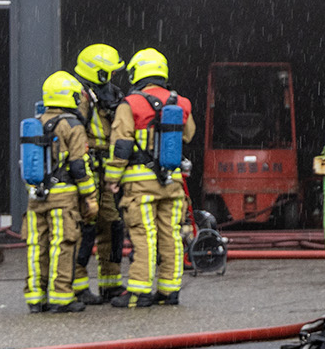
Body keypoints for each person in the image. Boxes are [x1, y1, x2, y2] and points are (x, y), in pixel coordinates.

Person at [109, 48, 196, 309]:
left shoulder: (130, 103)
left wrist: (113, 178)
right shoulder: (182, 102)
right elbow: (188, 135)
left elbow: (121, 144)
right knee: (171, 235)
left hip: (140, 184)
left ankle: (139, 292)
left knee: (143, 236)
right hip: (172, 182)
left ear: (137, 73)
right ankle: (169, 291)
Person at [23, 71, 100, 314]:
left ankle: (36, 297)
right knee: (62, 245)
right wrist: (90, 196)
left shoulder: (36, 121)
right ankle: (61, 297)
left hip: (36, 196)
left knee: (37, 247)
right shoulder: (73, 125)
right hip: (63, 198)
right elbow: (79, 165)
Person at [71, 43, 127, 305]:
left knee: (113, 225)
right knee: (86, 227)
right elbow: (74, 134)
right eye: (110, 72)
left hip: (109, 170)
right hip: (90, 169)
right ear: (98, 72)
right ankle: (78, 285)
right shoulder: (80, 97)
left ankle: (111, 283)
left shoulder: (111, 95)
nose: (114, 77)